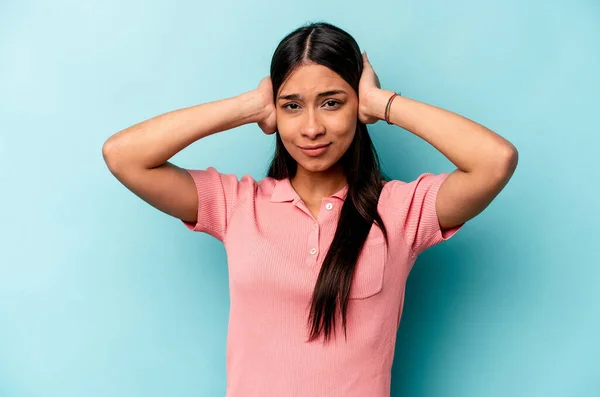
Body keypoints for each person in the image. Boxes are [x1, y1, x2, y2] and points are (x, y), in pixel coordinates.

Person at [102, 21, 518, 397]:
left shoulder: (401, 211)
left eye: (332, 103)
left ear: (357, 105)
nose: (311, 127)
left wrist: (383, 103)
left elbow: (495, 160)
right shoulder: (237, 206)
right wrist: (249, 106)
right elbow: (123, 155)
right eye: (293, 106)